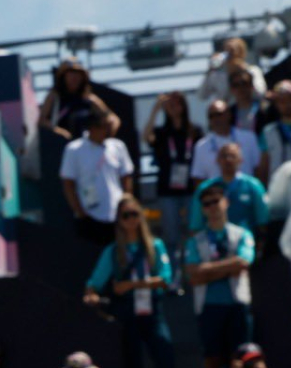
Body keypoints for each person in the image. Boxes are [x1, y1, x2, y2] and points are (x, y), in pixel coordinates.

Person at [82, 195, 185, 368]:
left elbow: (165, 279)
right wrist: (93, 295)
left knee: (166, 361)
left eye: (134, 214)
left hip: (152, 310)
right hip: (128, 314)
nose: (130, 220)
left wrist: (132, 284)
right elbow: (95, 282)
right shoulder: (113, 251)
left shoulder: (155, 246)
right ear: (119, 220)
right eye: (125, 216)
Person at [185, 181, 256, 368]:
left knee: (243, 362)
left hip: (237, 306)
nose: (212, 207)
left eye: (216, 201)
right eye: (207, 204)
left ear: (226, 202)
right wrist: (228, 267)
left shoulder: (241, 234)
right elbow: (194, 275)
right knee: (212, 364)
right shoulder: (195, 241)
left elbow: (243, 263)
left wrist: (208, 270)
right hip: (209, 308)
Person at [61, 111, 134, 246]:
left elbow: (126, 176)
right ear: (91, 128)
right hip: (89, 216)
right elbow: (68, 184)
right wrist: (80, 212)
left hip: (117, 215)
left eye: (108, 126)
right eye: (103, 126)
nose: (107, 130)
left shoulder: (118, 146)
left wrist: (126, 204)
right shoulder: (73, 149)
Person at [142, 92, 204, 247]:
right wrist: (155, 109)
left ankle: (192, 266)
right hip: (167, 190)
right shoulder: (161, 132)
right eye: (169, 105)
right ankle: (173, 269)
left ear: (184, 106)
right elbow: (145, 137)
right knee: (171, 235)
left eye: (177, 103)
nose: (174, 107)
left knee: (195, 232)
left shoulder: (194, 130)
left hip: (191, 188)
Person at [186, 143, 269, 234]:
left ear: (241, 160)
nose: (228, 159)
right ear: (217, 160)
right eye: (224, 156)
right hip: (212, 244)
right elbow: (196, 224)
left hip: (246, 242)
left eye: (233, 156)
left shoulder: (253, 186)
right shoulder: (205, 188)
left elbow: (263, 221)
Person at [38, 58, 111, 140]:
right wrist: (58, 130)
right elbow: (41, 120)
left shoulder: (89, 98)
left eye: (78, 74)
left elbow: (110, 118)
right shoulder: (54, 96)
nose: (75, 77)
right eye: (71, 73)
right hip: (62, 145)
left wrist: (104, 131)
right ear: (63, 76)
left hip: (86, 145)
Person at [191, 100, 263, 182]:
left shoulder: (249, 138)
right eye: (211, 116)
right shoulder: (201, 146)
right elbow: (198, 178)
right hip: (217, 193)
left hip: (245, 192)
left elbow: (258, 169)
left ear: (229, 114)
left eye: (219, 114)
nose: (216, 119)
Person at [198, 38, 267, 103]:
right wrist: (210, 70)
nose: (231, 55)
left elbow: (261, 93)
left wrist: (245, 71)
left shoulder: (253, 71)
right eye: (228, 51)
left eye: (234, 51)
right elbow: (201, 96)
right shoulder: (217, 76)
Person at [227, 68, 275, 136]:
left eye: (244, 83)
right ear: (231, 89)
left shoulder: (265, 108)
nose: (241, 88)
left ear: (251, 86)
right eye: (236, 85)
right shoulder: (228, 114)